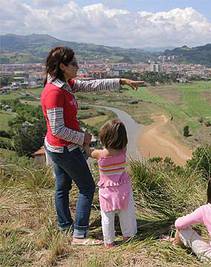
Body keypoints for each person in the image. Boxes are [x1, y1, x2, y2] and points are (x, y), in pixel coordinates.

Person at [40, 46, 143, 245]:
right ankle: (79, 234)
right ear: (62, 66)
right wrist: (83, 137)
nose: (78, 66)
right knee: (87, 187)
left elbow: (93, 85)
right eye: (74, 63)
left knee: (62, 186)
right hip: (64, 148)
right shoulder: (54, 92)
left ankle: (64, 226)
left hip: (56, 147)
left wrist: (122, 81)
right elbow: (57, 129)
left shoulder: (64, 85)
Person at [84, 120, 137, 248]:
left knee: (107, 216)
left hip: (107, 191)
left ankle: (109, 241)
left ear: (104, 138)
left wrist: (86, 144)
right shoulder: (123, 151)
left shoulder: (100, 155)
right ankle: (128, 236)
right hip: (123, 187)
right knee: (126, 213)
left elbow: (88, 151)